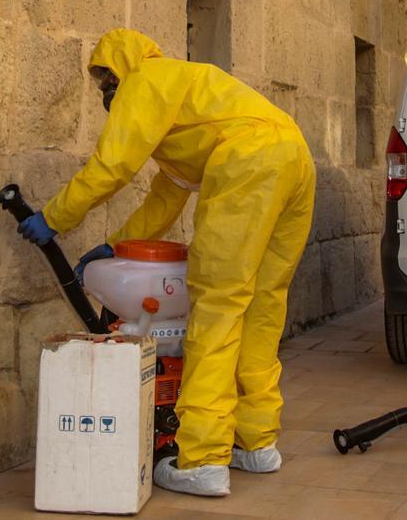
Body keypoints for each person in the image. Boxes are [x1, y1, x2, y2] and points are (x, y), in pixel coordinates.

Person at [18, 29, 316, 495]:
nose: (106, 93)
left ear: (124, 67)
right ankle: (256, 442)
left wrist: (54, 217)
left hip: (248, 159)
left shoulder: (147, 80)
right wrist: (117, 245)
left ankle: (201, 460)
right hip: (294, 157)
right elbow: (166, 196)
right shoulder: (184, 96)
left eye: (106, 81)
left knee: (217, 307)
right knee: (262, 305)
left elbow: (112, 166)